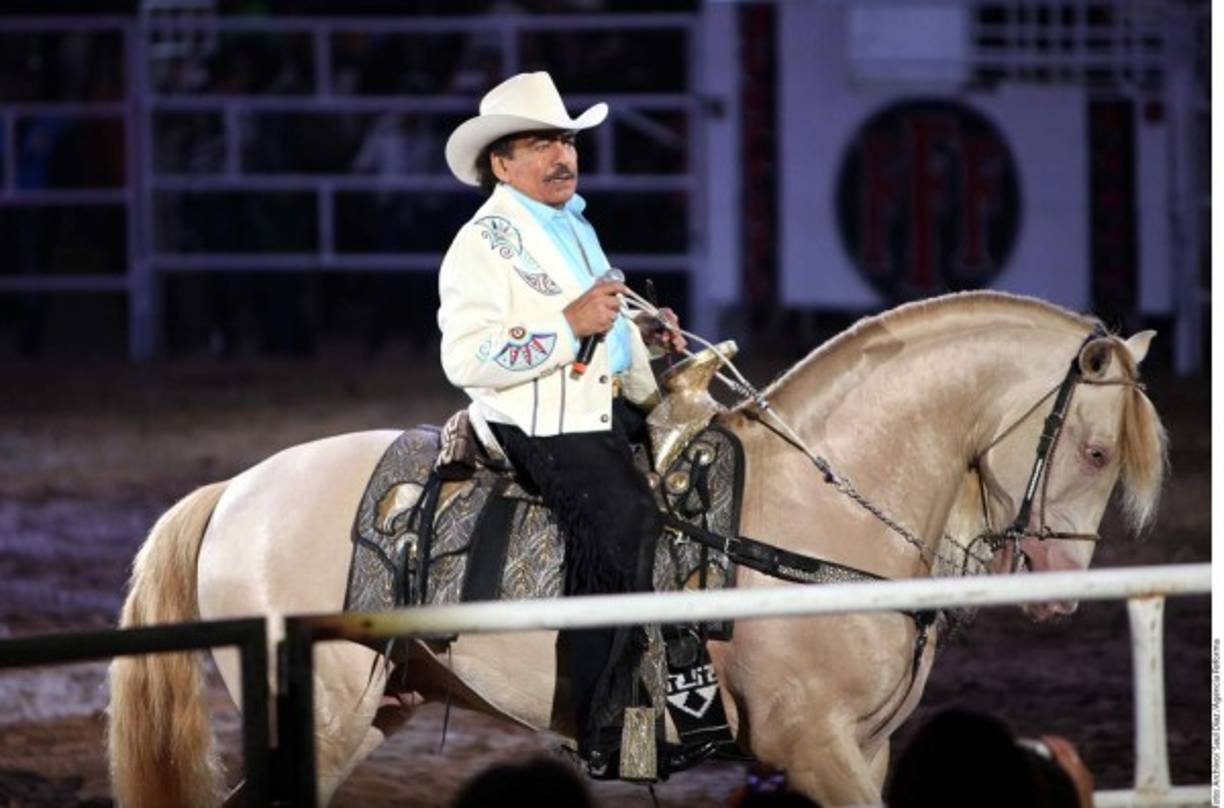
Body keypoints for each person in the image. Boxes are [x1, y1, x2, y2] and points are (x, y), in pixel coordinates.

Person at [437, 71, 685, 775]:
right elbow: (466, 355)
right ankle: (601, 720)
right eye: (541, 141)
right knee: (624, 519)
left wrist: (645, 330)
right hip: (535, 420)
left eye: (568, 139)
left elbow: (606, 312)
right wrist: (564, 325)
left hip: (592, 405)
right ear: (501, 162)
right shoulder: (482, 243)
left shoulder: (574, 223)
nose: (562, 155)